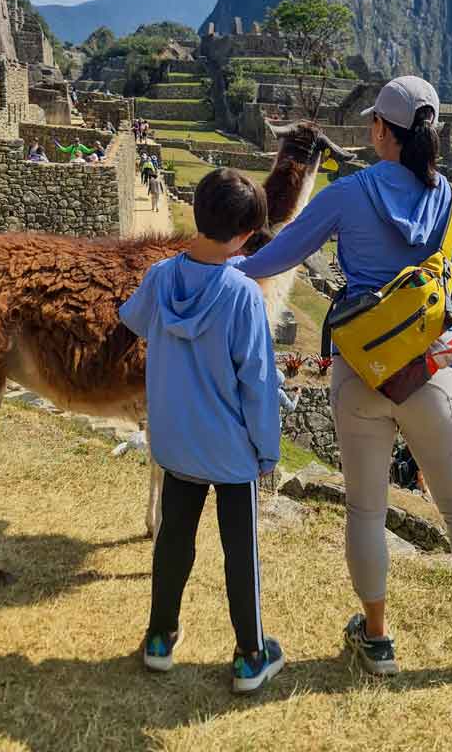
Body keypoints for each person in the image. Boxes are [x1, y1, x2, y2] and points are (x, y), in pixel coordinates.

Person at [238, 76, 452, 689]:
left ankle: (376, 639)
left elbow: (275, 258)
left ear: (381, 129)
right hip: (432, 376)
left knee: (365, 509)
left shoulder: (346, 196)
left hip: (358, 373)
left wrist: (207, 266)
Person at [118, 169, 285, 693]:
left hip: (176, 442)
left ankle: (160, 637)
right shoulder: (242, 296)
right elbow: (258, 379)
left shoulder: (162, 277)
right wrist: (267, 449)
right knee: (241, 551)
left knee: (174, 539)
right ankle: (251, 653)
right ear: (242, 236)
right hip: (230, 451)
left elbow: (135, 321)